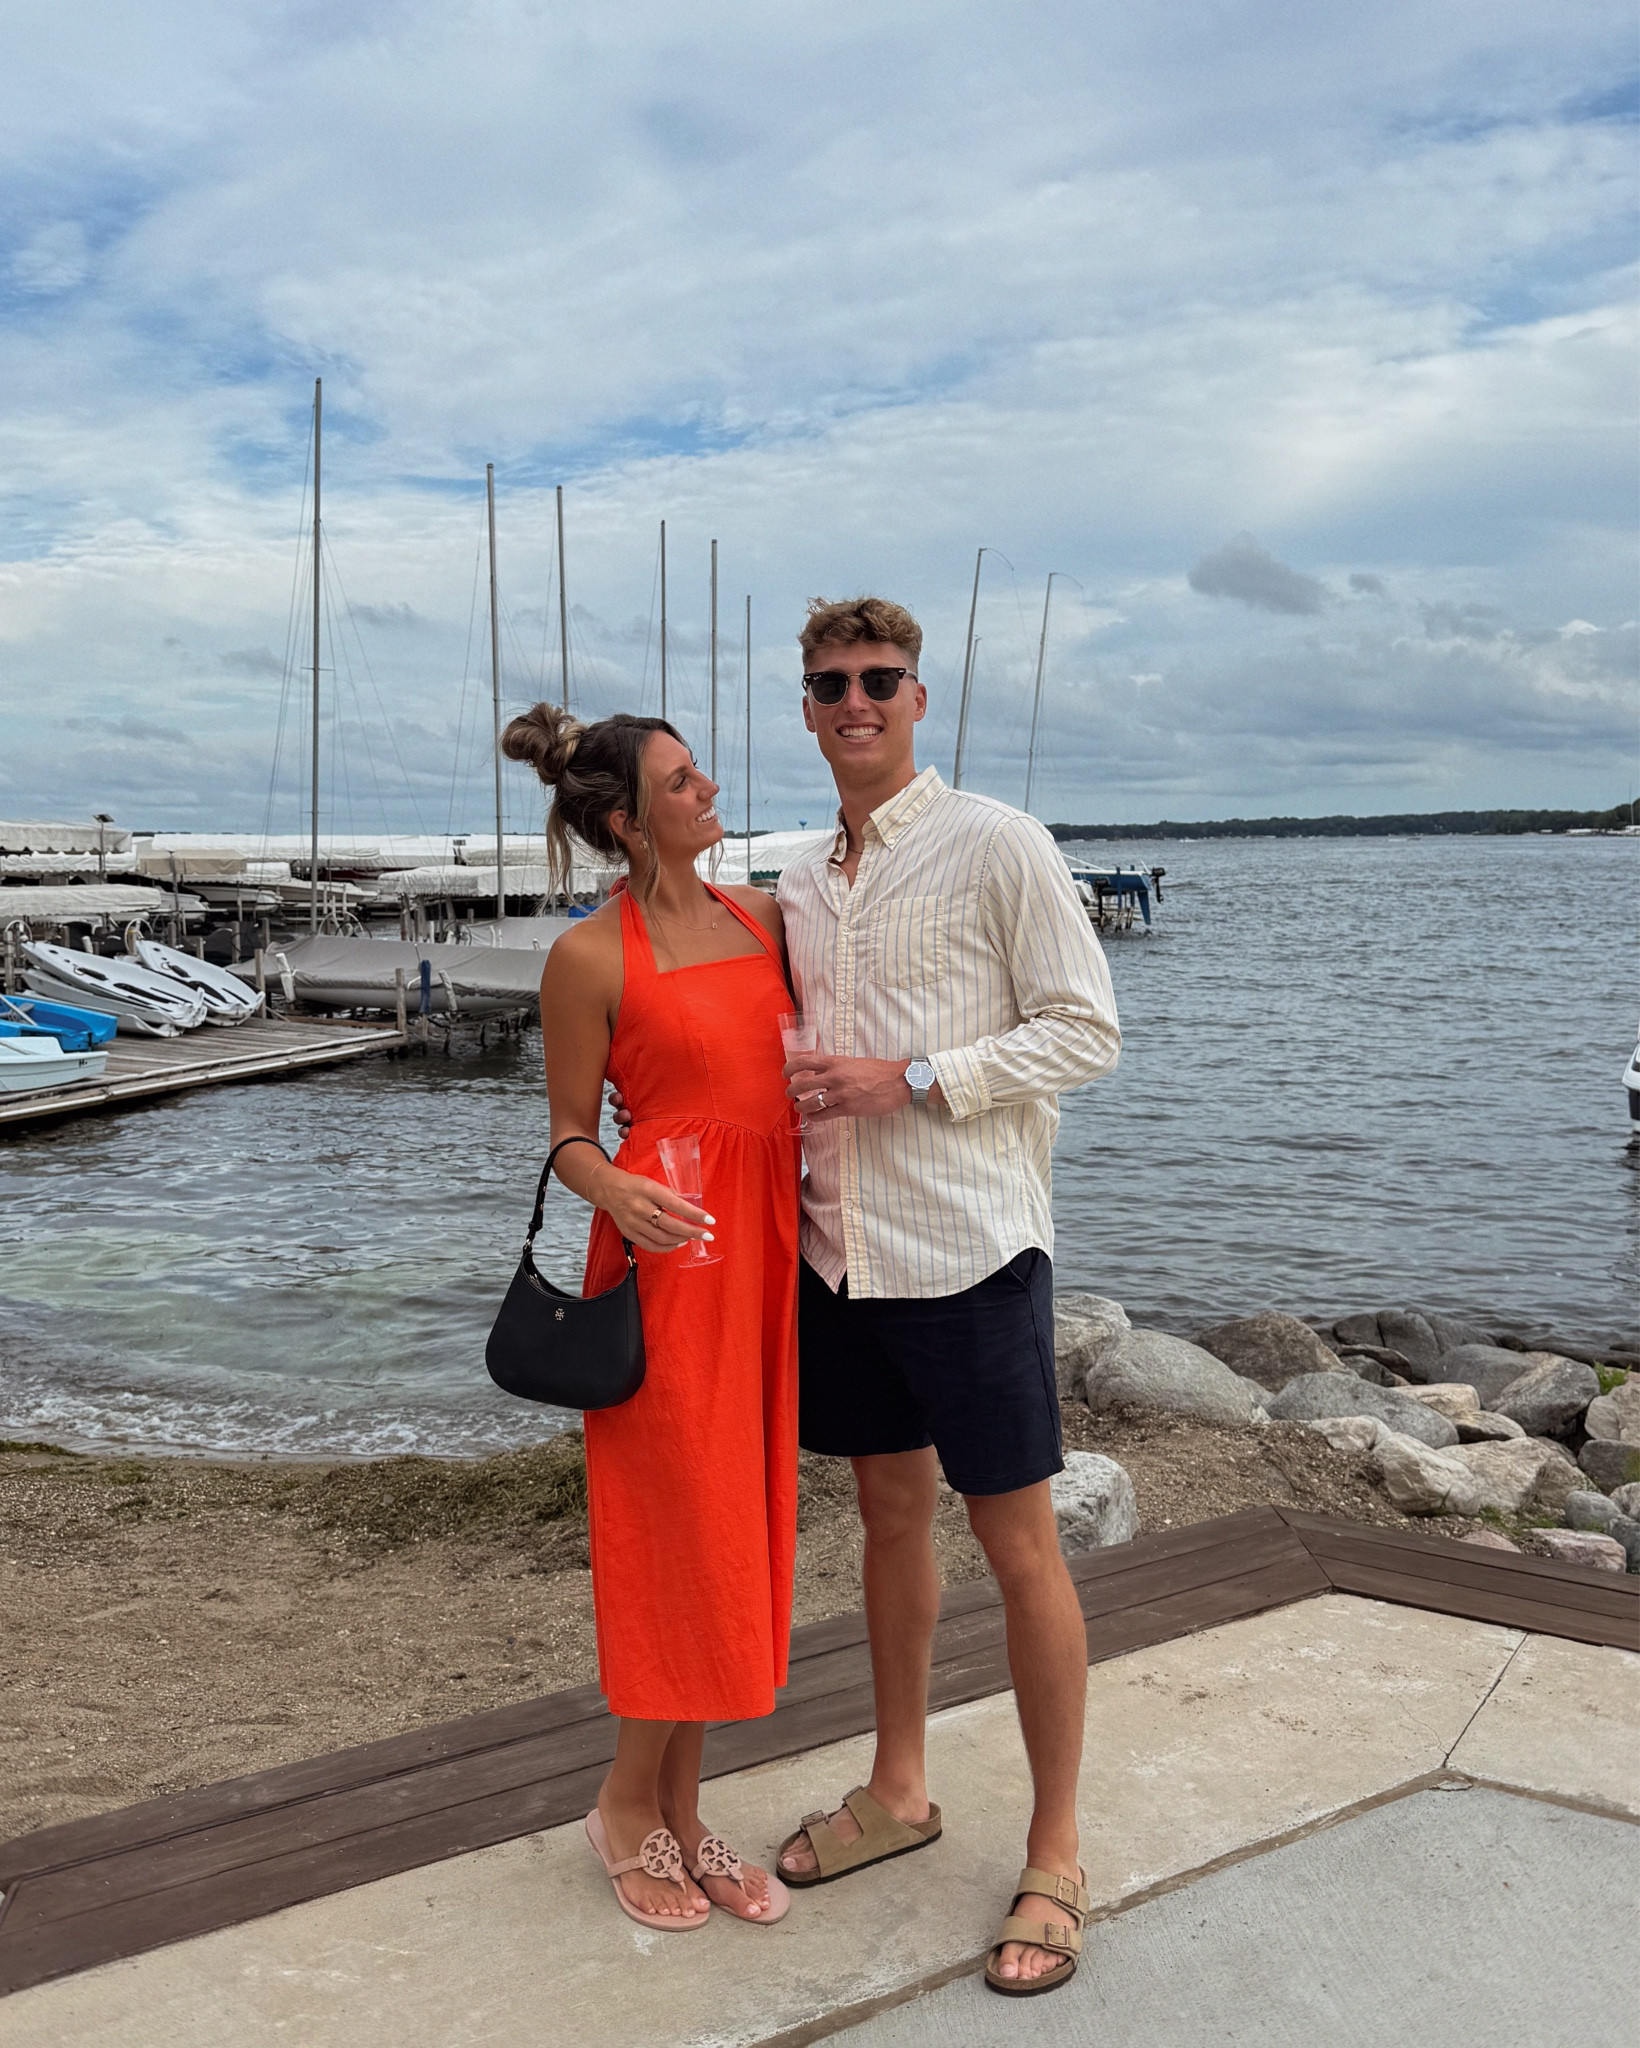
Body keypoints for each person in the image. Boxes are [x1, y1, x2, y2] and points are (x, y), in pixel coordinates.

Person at [770, 596, 1121, 1997]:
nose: (854, 701)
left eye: (879, 678)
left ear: (919, 698)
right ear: (806, 707)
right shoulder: (799, 879)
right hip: (840, 1254)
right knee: (887, 1518)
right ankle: (899, 1787)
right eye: (829, 683)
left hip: (970, 1250)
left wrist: (914, 1079)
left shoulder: (997, 842)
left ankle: (1057, 1847)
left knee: (1020, 1546)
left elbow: (1086, 1030)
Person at [503, 702, 800, 1933]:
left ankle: (680, 1806)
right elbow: (569, 1133)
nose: (708, 788)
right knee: (675, 1523)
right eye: (682, 781)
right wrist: (615, 1187)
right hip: (668, 1259)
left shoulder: (762, 915)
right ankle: (625, 1802)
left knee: (733, 1523)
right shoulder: (588, 956)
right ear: (628, 822)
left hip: (766, 1254)